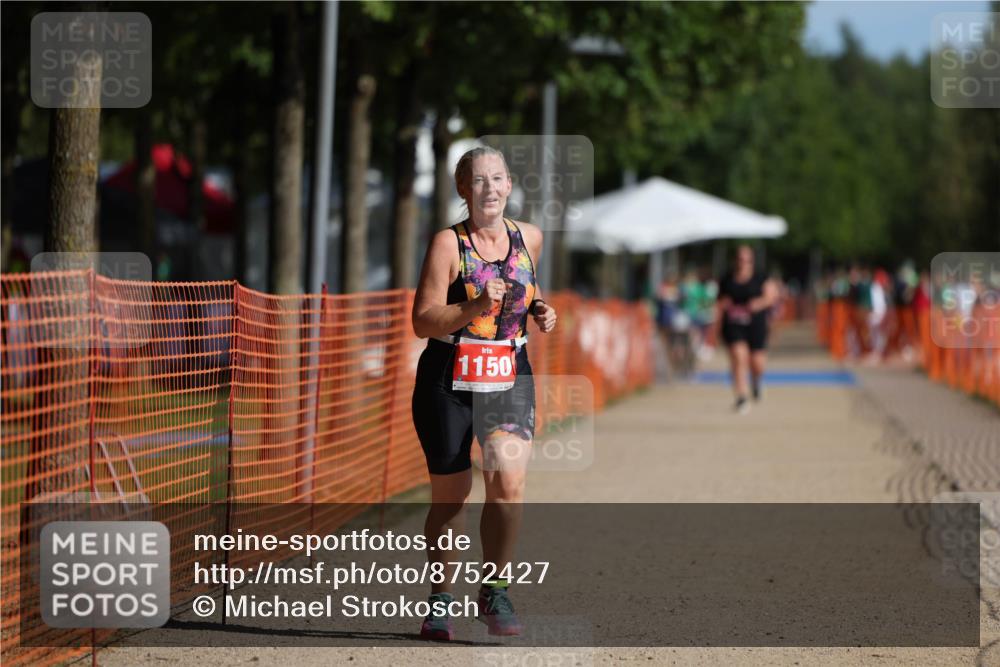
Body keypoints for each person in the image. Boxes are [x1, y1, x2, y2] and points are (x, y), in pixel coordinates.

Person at [410, 146, 557, 640]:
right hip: (448, 375)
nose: (489, 188)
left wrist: (540, 310)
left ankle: (495, 589)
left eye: (497, 179)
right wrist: (474, 305)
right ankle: (440, 600)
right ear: (462, 189)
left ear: (510, 185)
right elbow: (421, 320)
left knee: (508, 480)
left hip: (509, 371)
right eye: (478, 180)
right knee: (452, 497)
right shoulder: (448, 245)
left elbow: (527, 290)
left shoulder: (529, 238)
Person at [716, 245, 778, 414]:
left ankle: (756, 381)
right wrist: (723, 305)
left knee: (757, 364)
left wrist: (759, 303)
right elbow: (719, 300)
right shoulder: (727, 279)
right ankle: (741, 397)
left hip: (755, 325)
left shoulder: (761, 277)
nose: (743, 263)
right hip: (734, 324)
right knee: (738, 357)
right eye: (740, 259)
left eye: (747, 260)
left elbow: (772, 296)